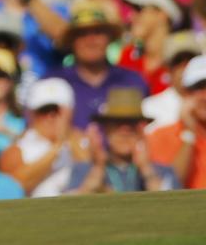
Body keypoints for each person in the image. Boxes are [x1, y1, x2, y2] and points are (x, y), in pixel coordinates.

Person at [46, 5, 148, 129]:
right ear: (72, 41)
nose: (91, 40)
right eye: (82, 34)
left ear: (109, 38)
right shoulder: (53, 83)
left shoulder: (131, 81)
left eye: (98, 32)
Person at [67, 88, 175, 193]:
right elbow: (69, 207)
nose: (124, 131)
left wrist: (147, 170)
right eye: (117, 123)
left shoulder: (163, 172)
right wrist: (98, 168)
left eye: (131, 124)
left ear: (141, 131)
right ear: (106, 129)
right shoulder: (82, 170)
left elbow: (172, 207)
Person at [0, 78, 88, 196]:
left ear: (70, 111)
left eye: (57, 110)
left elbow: (92, 173)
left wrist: (68, 137)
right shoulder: (18, 150)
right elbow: (14, 187)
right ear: (32, 114)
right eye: (44, 110)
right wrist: (56, 148)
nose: (51, 116)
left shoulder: (85, 142)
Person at [147, 55, 206, 189]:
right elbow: (170, 188)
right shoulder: (160, 137)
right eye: (198, 88)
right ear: (185, 93)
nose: (204, 96)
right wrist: (188, 135)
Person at [118, 0, 183, 95]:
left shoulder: (181, 59)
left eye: (138, 9)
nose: (131, 17)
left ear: (163, 14)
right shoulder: (127, 56)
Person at [142, 33, 202, 132]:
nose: (185, 67)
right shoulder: (150, 108)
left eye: (191, 60)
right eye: (178, 62)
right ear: (168, 69)